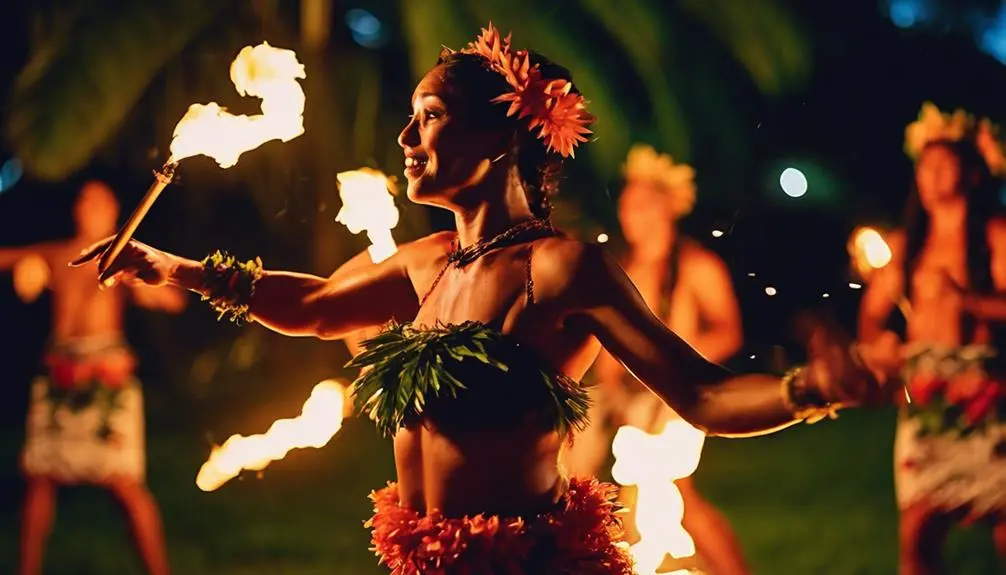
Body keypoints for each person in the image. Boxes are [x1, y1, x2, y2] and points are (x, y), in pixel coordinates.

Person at [75, 24, 889, 574]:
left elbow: (703, 392)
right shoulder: (428, 261)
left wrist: (808, 388)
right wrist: (172, 267)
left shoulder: (561, 269)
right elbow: (317, 305)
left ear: (501, 136)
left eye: (429, 117)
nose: (406, 139)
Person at [562, 144, 750, 574]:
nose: (629, 212)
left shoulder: (697, 266)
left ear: (667, 207)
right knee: (618, 497)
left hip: (676, 397)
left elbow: (728, 332)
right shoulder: (622, 268)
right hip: (624, 402)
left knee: (679, 492)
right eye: (626, 204)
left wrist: (675, 365)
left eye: (641, 203)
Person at [0, 180, 183, 575]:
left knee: (125, 483)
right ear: (76, 210)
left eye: (101, 201)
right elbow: (7, 257)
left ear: (115, 210)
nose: (92, 208)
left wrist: (148, 287)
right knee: (40, 480)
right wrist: (28, 272)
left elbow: (174, 299)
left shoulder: (124, 259)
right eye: (85, 200)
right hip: (59, 373)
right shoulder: (58, 254)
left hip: (107, 376)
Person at [858, 103, 1006, 575]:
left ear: (973, 173)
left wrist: (970, 302)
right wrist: (880, 344)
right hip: (926, 398)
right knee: (917, 531)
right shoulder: (907, 247)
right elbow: (873, 317)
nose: (931, 174)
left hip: (985, 393)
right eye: (924, 165)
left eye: (944, 164)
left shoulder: (996, 237)